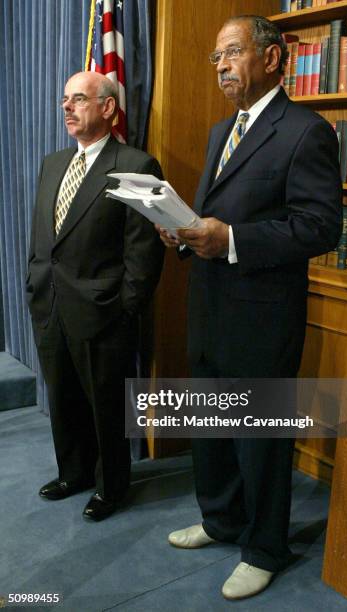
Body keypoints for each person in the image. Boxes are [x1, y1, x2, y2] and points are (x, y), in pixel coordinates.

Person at [156, 15, 342, 601]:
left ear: (272, 58)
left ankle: (264, 548)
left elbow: (319, 227)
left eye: (232, 53)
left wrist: (231, 239)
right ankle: (221, 521)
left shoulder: (306, 130)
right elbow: (216, 212)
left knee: (259, 439)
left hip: (263, 314)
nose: (221, 67)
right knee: (213, 429)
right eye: (216, 58)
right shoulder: (220, 132)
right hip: (211, 304)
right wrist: (182, 230)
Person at [27, 71, 164, 522]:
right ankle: (74, 473)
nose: (66, 107)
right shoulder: (52, 164)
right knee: (62, 398)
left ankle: (112, 487)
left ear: (107, 107)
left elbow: (142, 254)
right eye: (64, 99)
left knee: (106, 407)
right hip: (49, 306)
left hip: (104, 314)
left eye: (78, 99)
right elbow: (43, 239)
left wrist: (125, 310)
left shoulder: (137, 166)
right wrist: (34, 285)